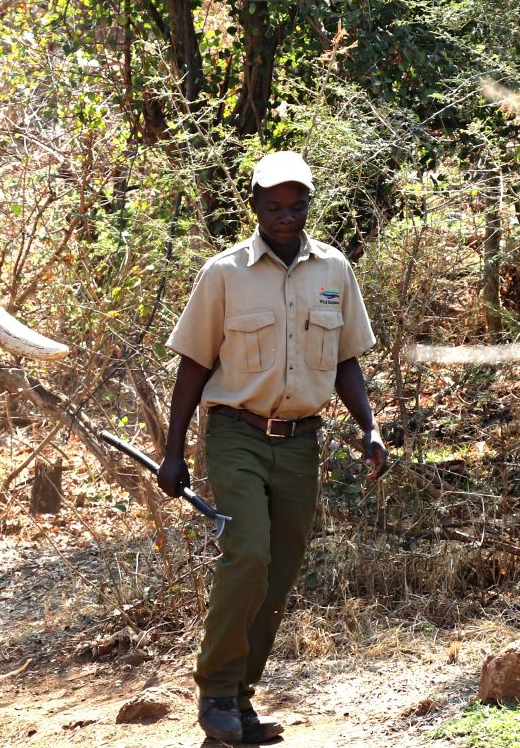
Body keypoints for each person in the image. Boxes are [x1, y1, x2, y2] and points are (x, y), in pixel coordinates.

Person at [156, 150, 388, 744]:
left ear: (308, 204)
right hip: (236, 433)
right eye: (274, 205)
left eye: (296, 204)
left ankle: (239, 698)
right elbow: (192, 366)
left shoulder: (334, 270)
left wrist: (370, 427)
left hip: (300, 442)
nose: (286, 216)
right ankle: (214, 691)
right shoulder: (223, 273)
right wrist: (174, 450)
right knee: (248, 554)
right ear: (255, 205)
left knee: (279, 573)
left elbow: (345, 362)